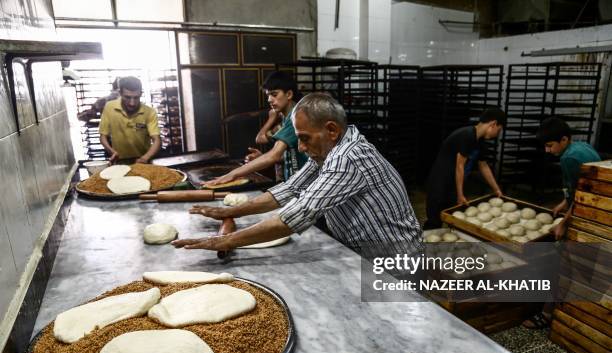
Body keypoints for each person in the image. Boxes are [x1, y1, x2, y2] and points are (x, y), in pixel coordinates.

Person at [173, 92, 422, 256]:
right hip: (363, 253)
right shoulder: (327, 149)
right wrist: (230, 212)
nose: (300, 147)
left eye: (304, 138)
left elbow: (299, 213)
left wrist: (226, 241)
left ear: (332, 130)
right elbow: (291, 189)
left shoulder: (347, 157)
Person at [205, 71, 308, 186]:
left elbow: (274, 155)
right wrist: (262, 157)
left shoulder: (296, 116)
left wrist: (232, 174)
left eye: (274, 94)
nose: (269, 99)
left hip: (304, 184)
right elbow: (292, 155)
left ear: (289, 94)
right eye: (268, 95)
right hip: (294, 182)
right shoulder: (287, 117)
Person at [424, 108, 507, 229]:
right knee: (435, 222)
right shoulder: (467, 135)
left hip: (453, 185)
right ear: (493, 124)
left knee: (454, 222)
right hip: (440, 184)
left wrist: (496, 190)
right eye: (499, 130)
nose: (497, 134)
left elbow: (484, 166)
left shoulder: (480, 141)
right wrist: (460, 194)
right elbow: (459, 166)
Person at [537, 116, 601, 240]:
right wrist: (565, 202)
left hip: (591, 206)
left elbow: (582, 197)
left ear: (564, 139)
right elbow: (577, 186)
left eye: (549, 145)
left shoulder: (569, 158)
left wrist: (563, 223)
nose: (547, 150)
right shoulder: (582, 146)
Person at [99, 76, 161, 164]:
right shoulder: (109, 107)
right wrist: (112, 151)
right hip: (119, 160)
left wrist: (145, 158)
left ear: (141, 94)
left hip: (143, 159)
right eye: (127, 97)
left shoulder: (149, 112)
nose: (132, 103)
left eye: (136, 97)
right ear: (120, 93)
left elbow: (157, 140)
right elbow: (103, 136)